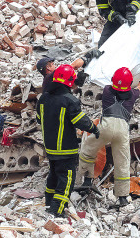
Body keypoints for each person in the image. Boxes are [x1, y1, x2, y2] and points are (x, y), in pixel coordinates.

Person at [77, 66, 140, 206]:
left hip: (105, 128)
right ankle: (122, 197)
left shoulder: (107, 91)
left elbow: (115, 85)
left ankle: (87, 181)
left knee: (88, 148)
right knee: (122, 162)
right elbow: (139, 87)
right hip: (122, 131)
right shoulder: (133, 94)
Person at [36, 64, 99, 216]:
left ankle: (49, 203)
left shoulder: (43, 98)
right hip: (66, 148)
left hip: (50, 147)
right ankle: (56, 210)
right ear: (70, 82)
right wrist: (93, 128)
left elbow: (39, 120)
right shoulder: (69, 100)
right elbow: (80, 121)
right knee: (66, 179)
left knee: (54, 175)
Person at [36, 48, 104, 91]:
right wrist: (88, 56)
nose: (55, 66)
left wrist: (76, 82)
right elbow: (73, 66)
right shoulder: (53, 76)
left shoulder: (46, 82)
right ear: (48, 67)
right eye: (53, 64)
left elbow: (69, 86)